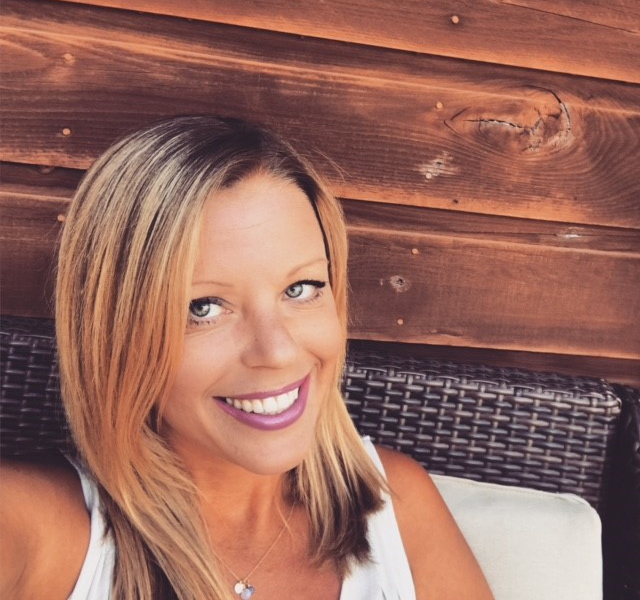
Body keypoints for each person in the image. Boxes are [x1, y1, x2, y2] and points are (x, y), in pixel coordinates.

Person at [0, 116, 493, 599]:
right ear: (116, 331)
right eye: (203, 307)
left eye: (301, 289)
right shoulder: (39, 528)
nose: (276, 351)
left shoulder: (397, 506)